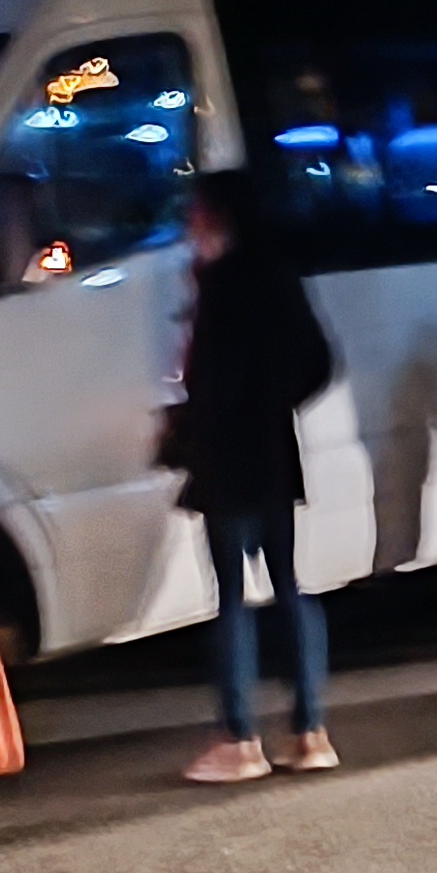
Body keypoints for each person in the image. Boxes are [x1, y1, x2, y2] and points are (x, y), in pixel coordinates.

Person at [163, 169, 340, 785]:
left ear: (218, 216)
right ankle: (310, 730)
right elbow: (319, 361)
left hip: (226, 455)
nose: (190, 222)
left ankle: (239, 737)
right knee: (290, 585)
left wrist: (187, 425)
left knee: (232, 597)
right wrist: (275, 402)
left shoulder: (219, 282)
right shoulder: (278, 272)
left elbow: (205, 379)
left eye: (197, 211)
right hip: (272, 450)